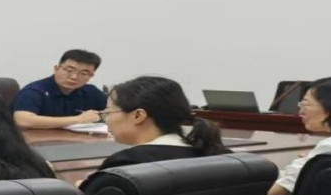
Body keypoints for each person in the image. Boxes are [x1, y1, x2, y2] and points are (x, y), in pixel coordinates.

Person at [83, 76, 228, 188]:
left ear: (138, 116)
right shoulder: (218, 156)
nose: (107, 119)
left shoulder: (125, 165)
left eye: (108, 112)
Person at [13, 49, 107, 129]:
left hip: (77, 141)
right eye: (69, 70)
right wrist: (78, 120)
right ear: (56, 69)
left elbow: (113, 110)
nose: (74, 77)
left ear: (91, 76)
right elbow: (23, 121)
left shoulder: (91, 92)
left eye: (84, 73)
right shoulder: (34, 91)